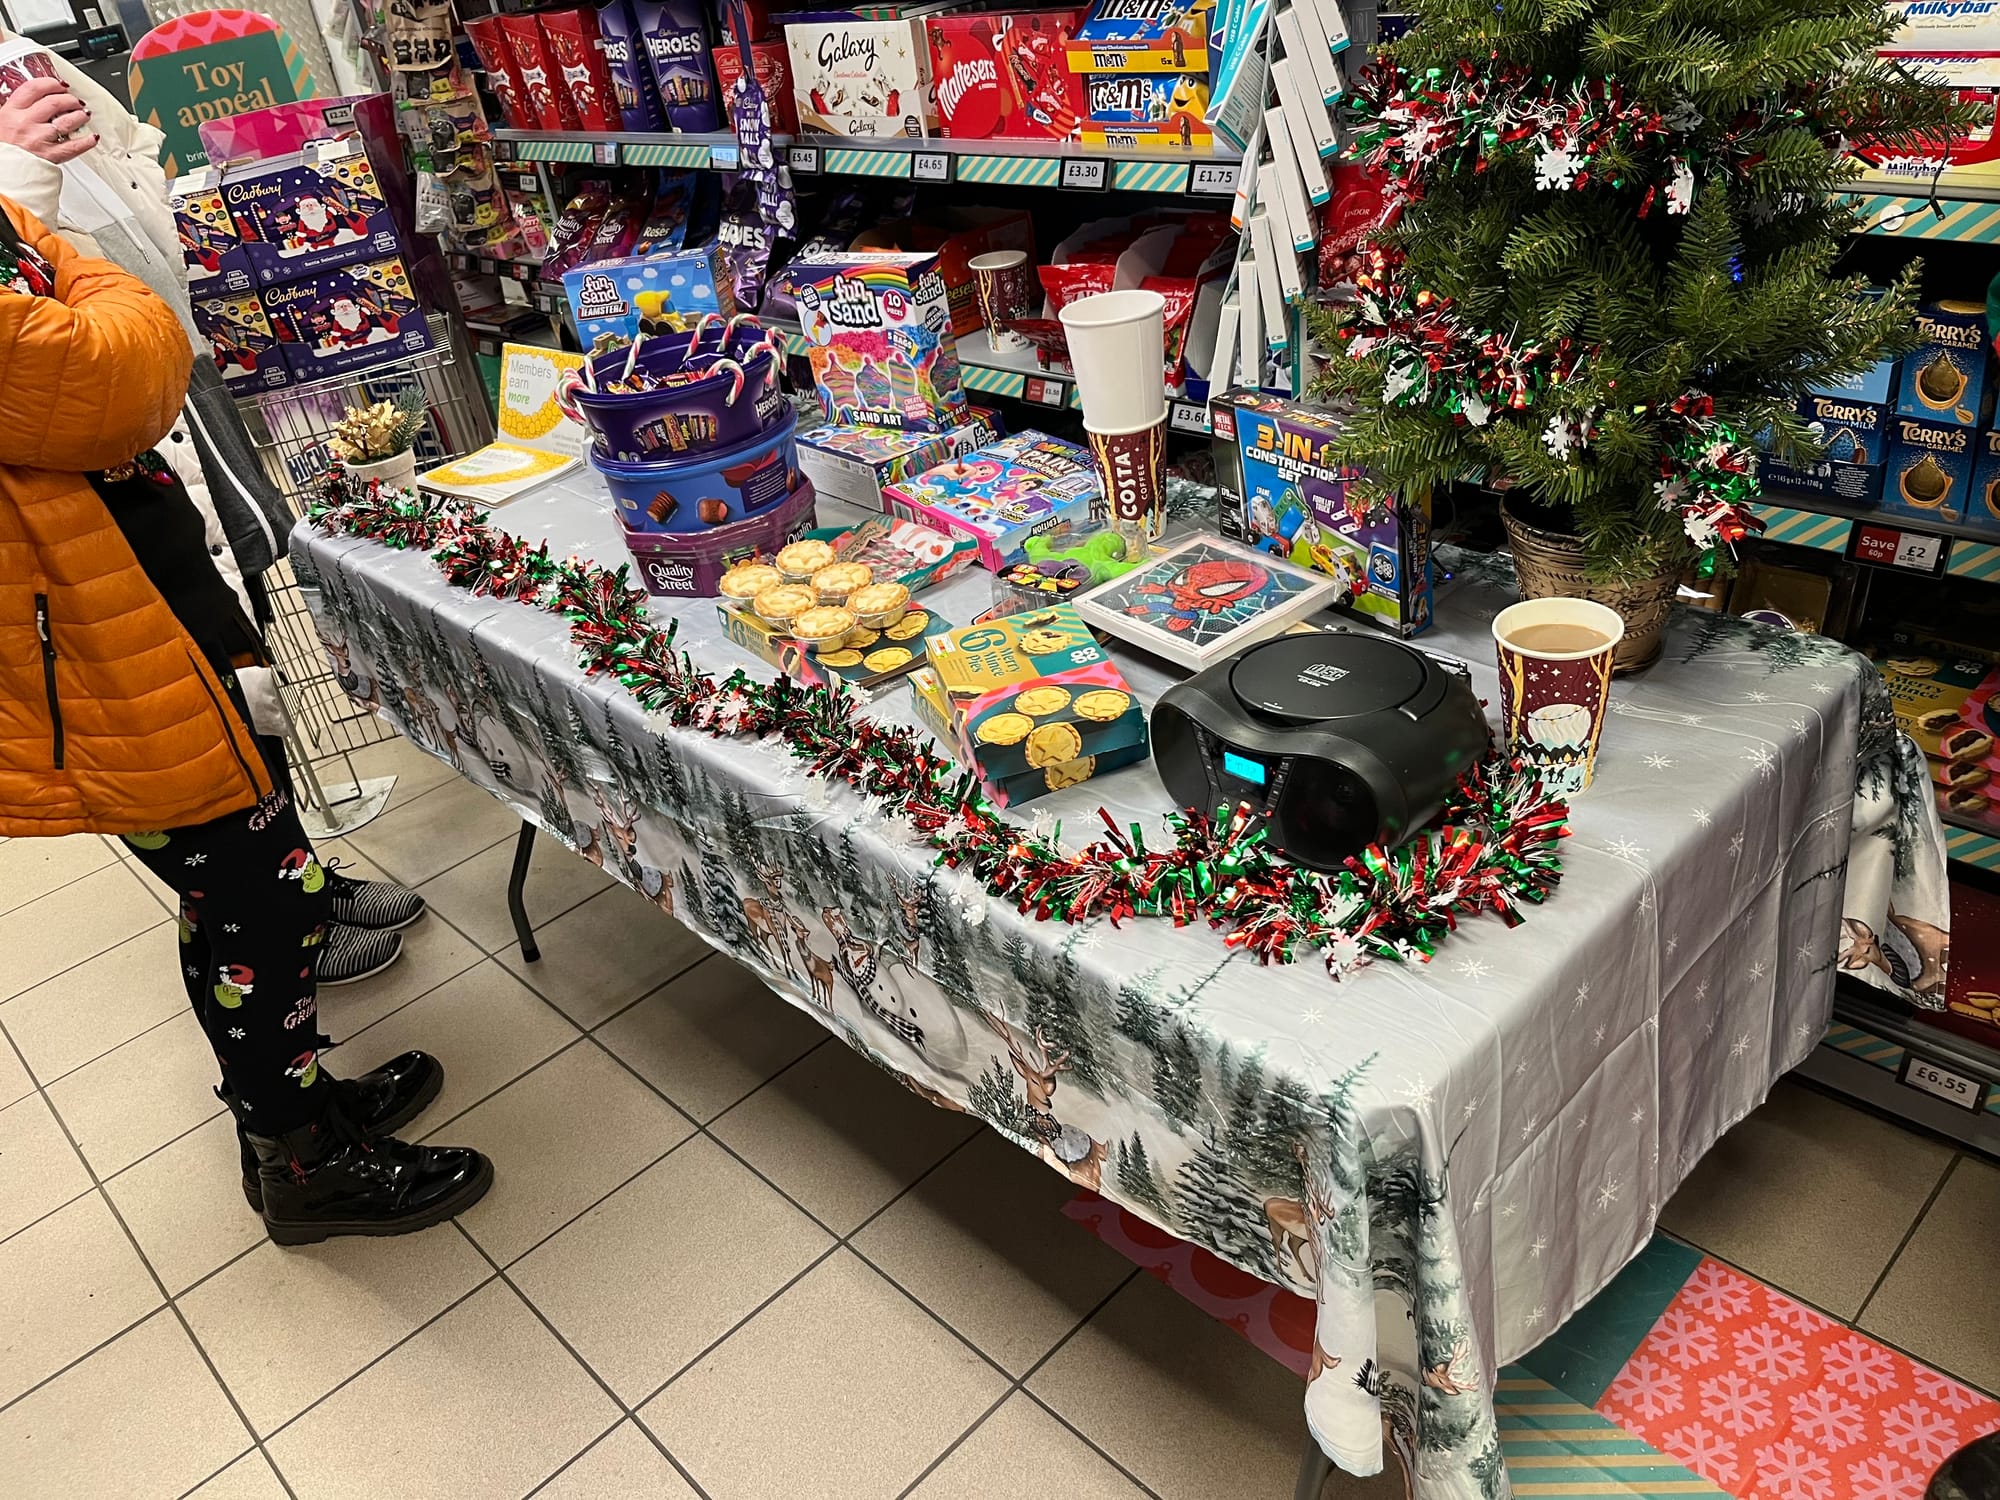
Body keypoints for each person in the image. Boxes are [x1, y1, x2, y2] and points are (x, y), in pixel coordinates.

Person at [0, 195, 492, 1242]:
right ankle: (302, 1163)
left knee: (247, 894)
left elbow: (109, 330)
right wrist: (102, 303)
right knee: (257, 905)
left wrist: (93, 306)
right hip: (102, 650)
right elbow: (122, 375)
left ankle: (292, 1113)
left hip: (139, 605)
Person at [0, 45, 427, 984]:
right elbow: (63, 357)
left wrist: (148, 243)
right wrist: (20, 181)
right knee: (184, 719)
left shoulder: (22, 60)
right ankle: (275, 923)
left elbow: (131, 162)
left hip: (170, 393)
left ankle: (296, 876)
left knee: (240, 651)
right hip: (75, 494)